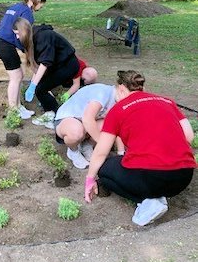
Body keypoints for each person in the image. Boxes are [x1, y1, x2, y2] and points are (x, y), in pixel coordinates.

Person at [84, 70, 195, 226]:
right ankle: (156, 196)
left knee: (104, 169)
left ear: (121, 88)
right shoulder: (166, 101)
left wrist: (89, 180)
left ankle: (148, 201)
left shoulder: (118, 109)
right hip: (183, 177)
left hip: (149, 177)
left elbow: (101, 152)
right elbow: (189, 136)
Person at [0, 0, 46, 119]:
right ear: (36, 1)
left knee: (19, 75)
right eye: (41, 4)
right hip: (5, 45)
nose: (41, 6)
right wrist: (29, 52)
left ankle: (18, 106)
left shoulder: (16, 6)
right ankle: (13, 110)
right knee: (16, 77)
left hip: (0, 42)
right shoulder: (27, 14)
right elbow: (23, 37)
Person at [21, 22, 80, 127]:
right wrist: (32, 84)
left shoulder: (43, 37)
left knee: (40, 89)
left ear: (24, 31)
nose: (17, 37)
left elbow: (44, 63)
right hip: (58, 65)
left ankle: (53, 116)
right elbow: (38, 66)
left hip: (67, 65)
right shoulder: (33, 39)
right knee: (40, 87)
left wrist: (34, 85)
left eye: (17, 33)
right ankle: (53, 112)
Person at [54, 82, 119, 169]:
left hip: (86, 122)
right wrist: (102, 144)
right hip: (69, 118)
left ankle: (86, 146)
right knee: (76, 132)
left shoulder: (119, 100)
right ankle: (73, 151)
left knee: (110, 125)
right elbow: (87, 120)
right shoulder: (102, 93)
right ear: (122, 89)